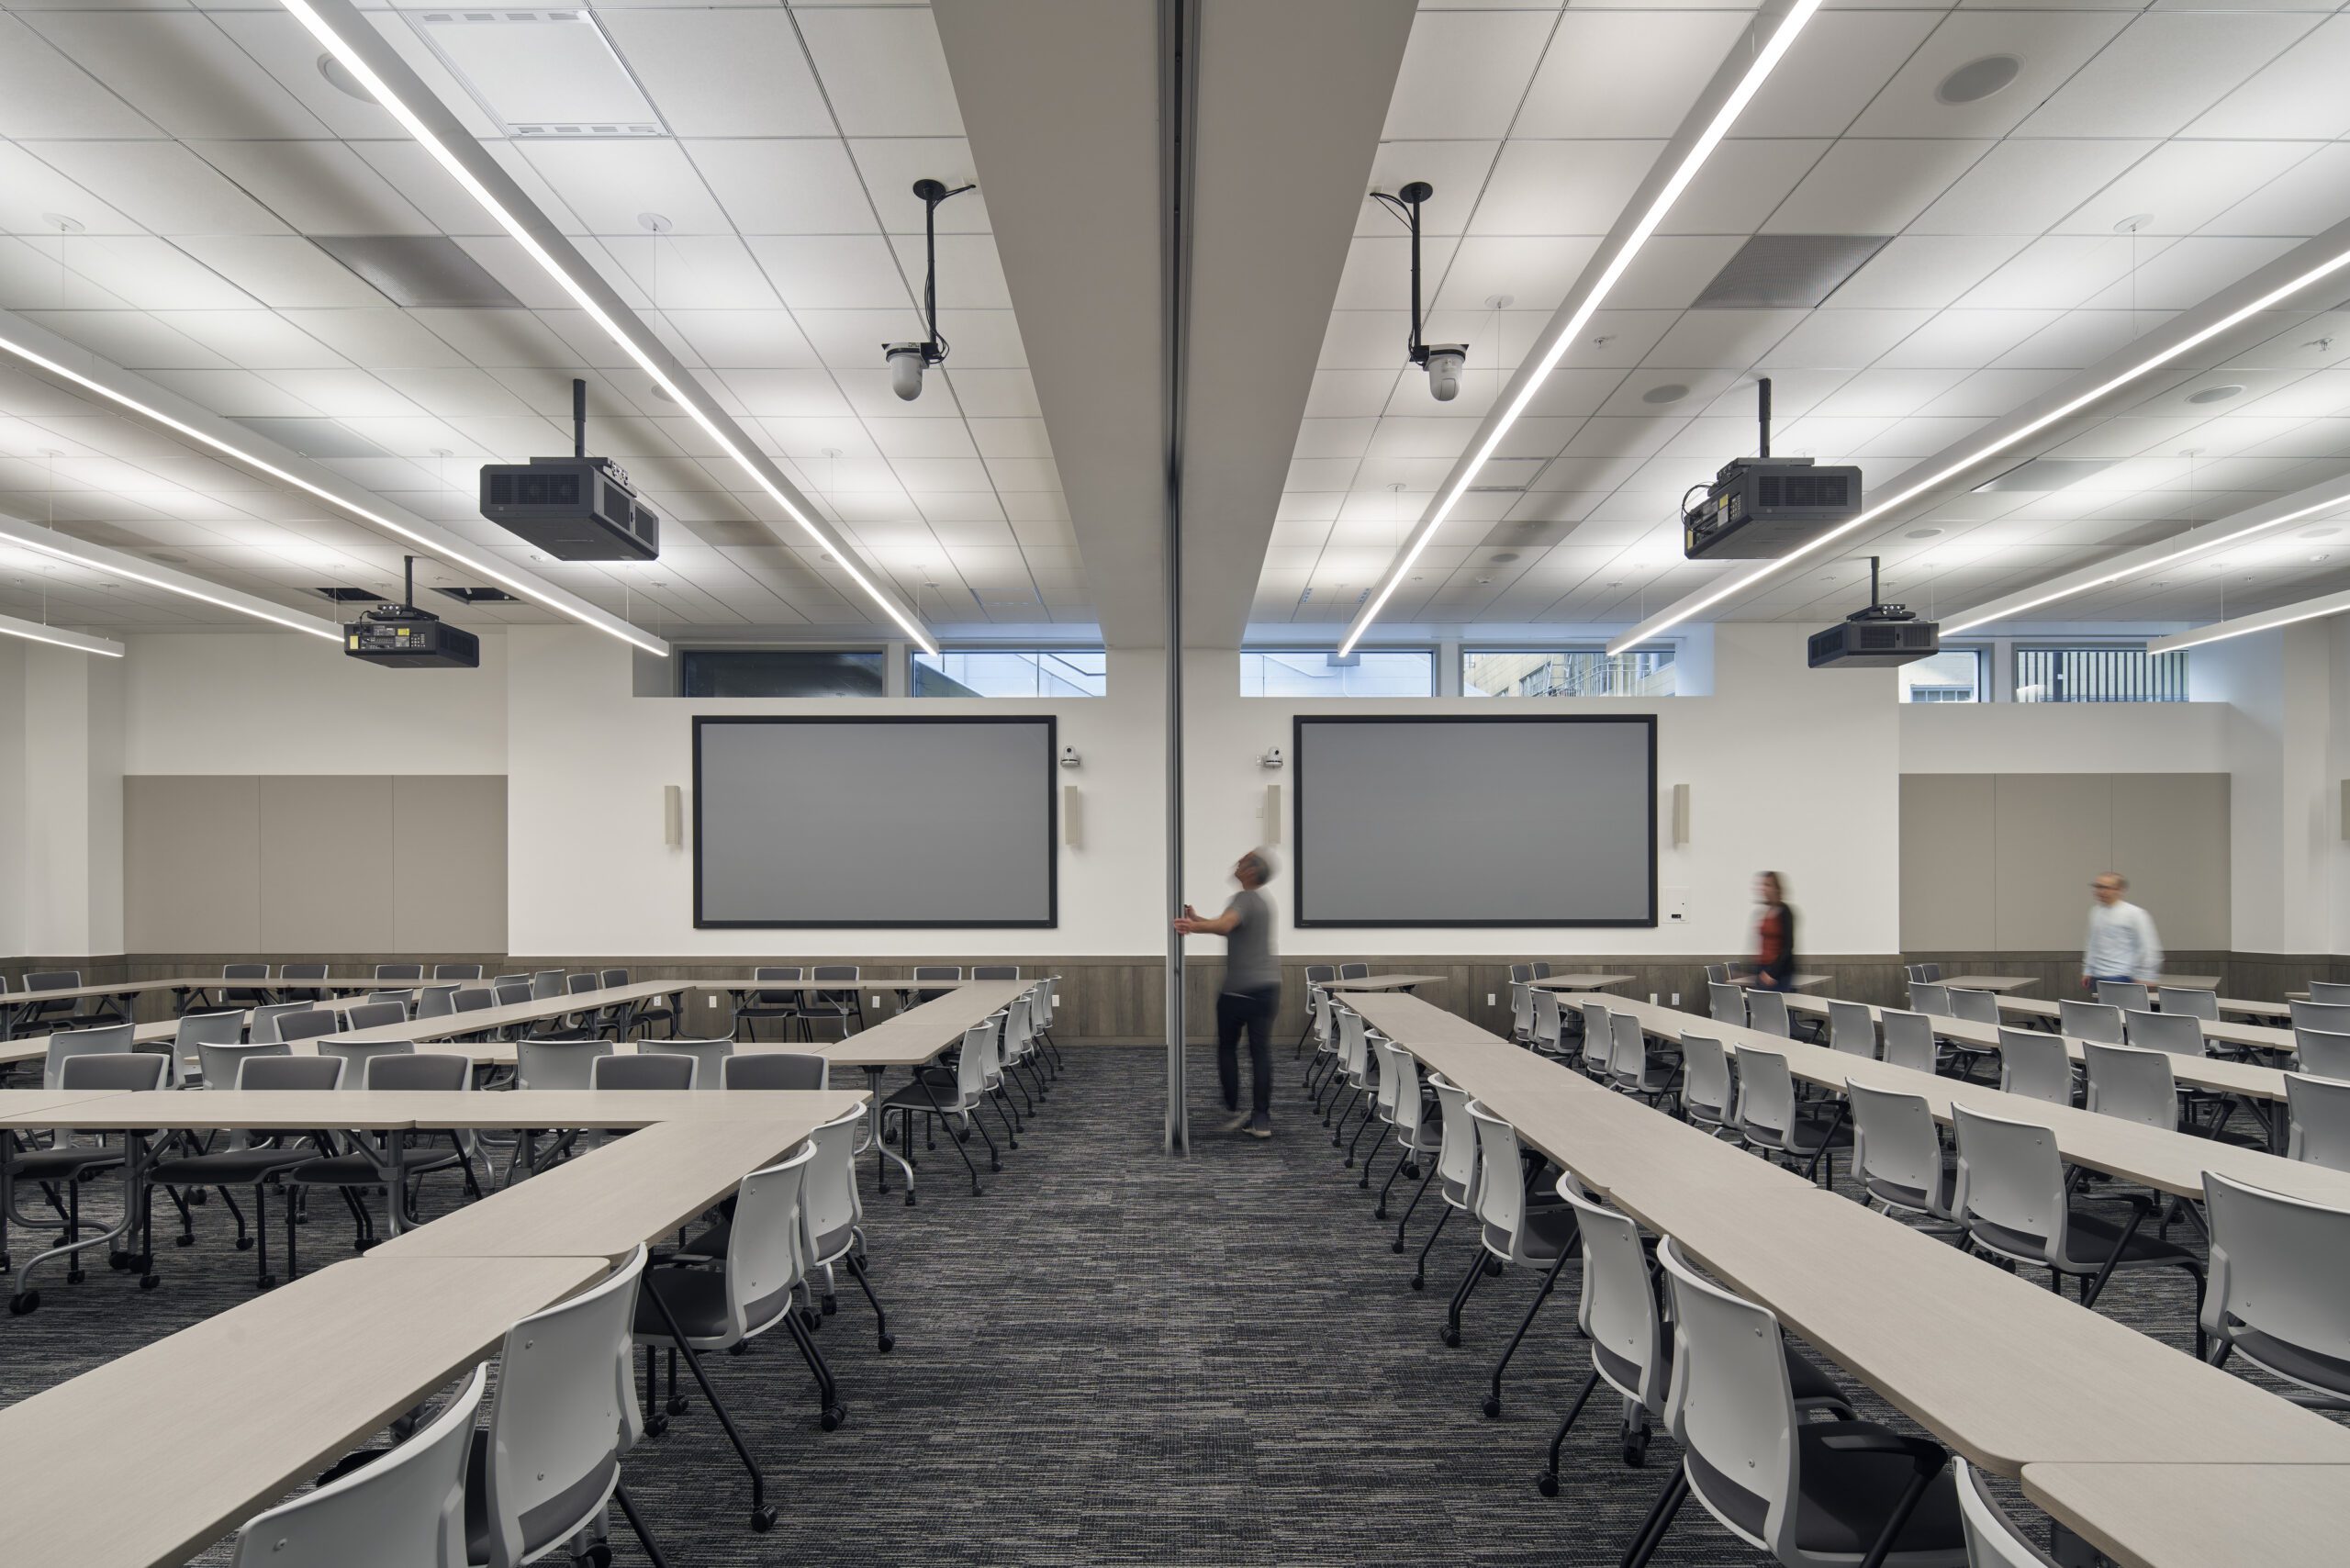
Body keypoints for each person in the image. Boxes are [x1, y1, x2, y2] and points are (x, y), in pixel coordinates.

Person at [1174, 847, 1281, 1138]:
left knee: (1227, 1047)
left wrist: (1192, 926)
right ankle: (1261, 1118)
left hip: (1238, 991)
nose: (1237, 864)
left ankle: (1232, 1102)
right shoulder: (1261, 902)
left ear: (1251, 872)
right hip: (1268, 988)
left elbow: (1225, 925)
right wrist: (1198, 918)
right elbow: (1229, 926)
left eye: (1243, 862)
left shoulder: (1243, 898)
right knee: (1260, 1053)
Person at [2083, 872, 2163, 988]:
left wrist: (2146, 976)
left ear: (2119, 890)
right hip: (2097, 976)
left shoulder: (2135, 914)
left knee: (2118, 1007)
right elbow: (2092, 944)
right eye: (2097, 886)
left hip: (2122, 976)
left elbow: (2149, 947)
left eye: (2105, 887)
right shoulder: (2095, 912)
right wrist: (2088, 970)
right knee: (2101, 1006)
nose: (2100, 891)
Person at [1749, 871, 1796, 991]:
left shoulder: (1785, 911)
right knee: (1760, 1007)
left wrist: (1772, 973)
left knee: (1776, 1008)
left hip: (1778, 972)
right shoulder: (1765, 911)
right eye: (1763, 885)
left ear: (1776, 888)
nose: (1763, 889)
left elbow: (1788, 947)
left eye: (1768, 885)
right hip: (1763, 968)